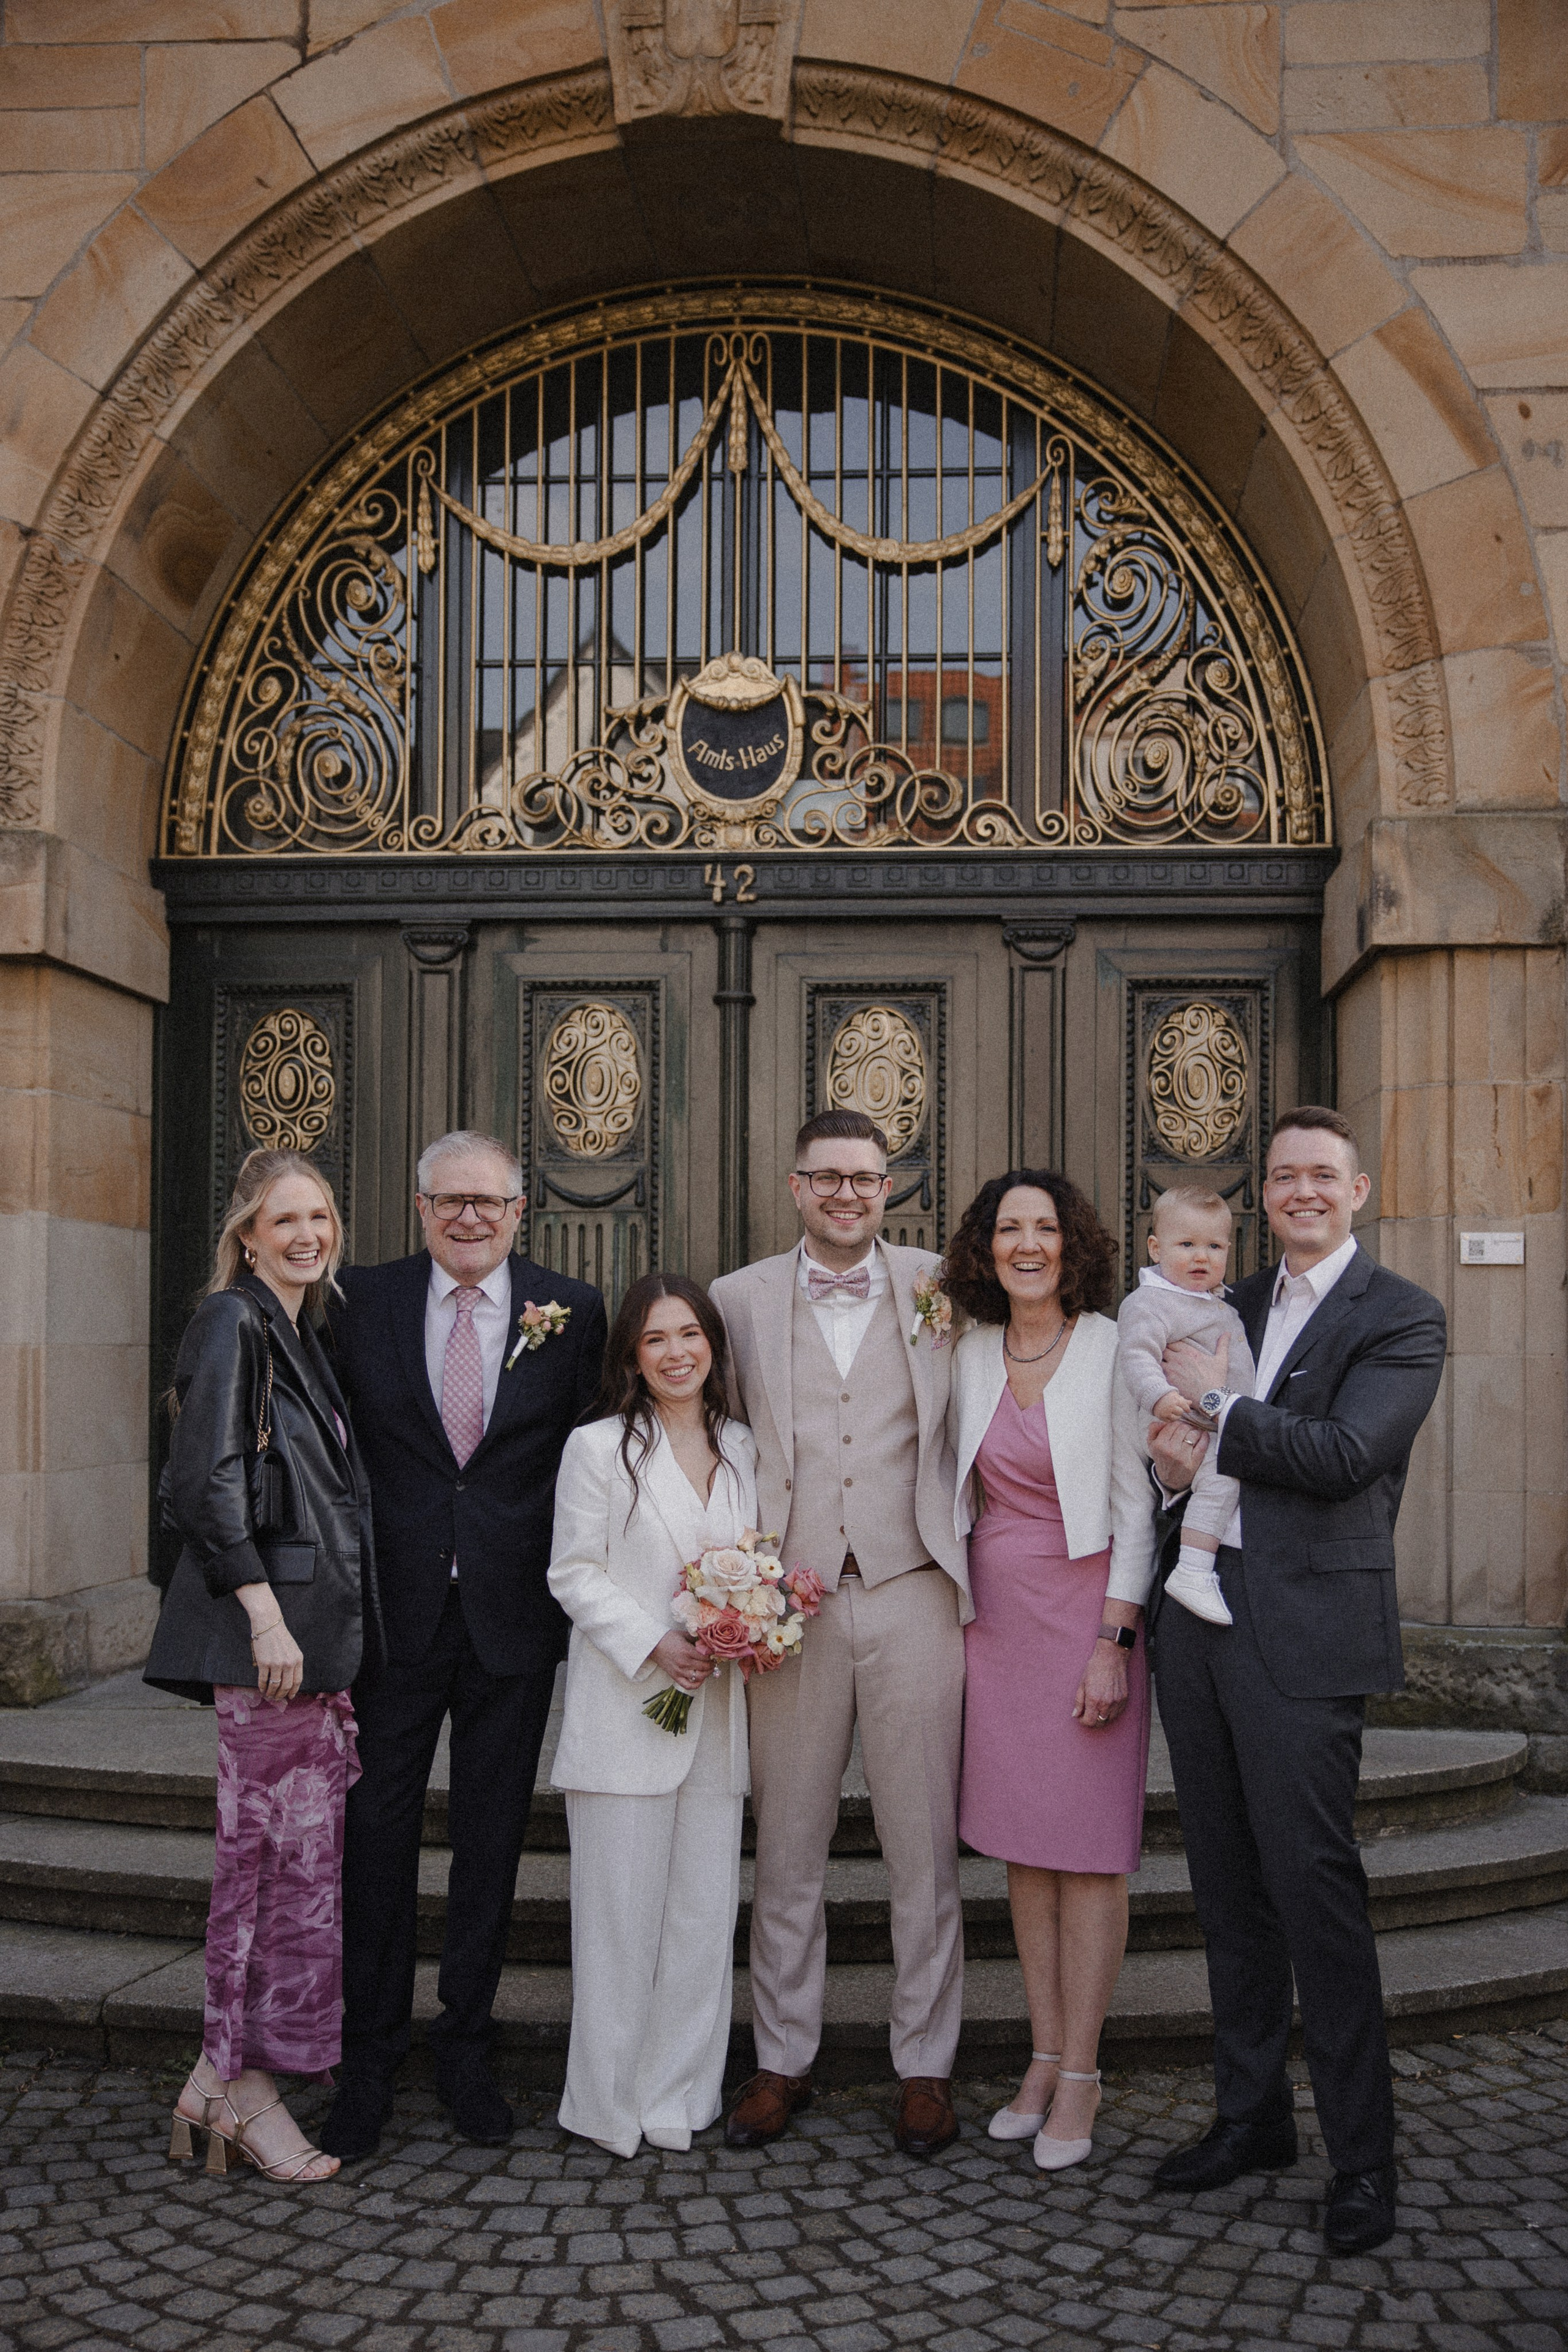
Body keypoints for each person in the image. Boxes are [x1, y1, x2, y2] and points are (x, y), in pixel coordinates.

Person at [1148, 1106, 1446, 2257]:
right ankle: (1251, 2118)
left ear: (1359, 1188)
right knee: (1226, 1893)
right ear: (1264, 1194)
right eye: (1284, 1178)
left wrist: (1213, 1414)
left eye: (1323, 1175)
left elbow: (1343, 1458)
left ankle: (1363, 2160)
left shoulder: (1401, 1317)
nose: (1303, 1192)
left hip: (1310, 1639)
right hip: (1200, 1626)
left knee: (1317, 1898)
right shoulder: (1228, 1301)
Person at [319, 1129, 606, 2158]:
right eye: (451, 1201)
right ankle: (369, 2056)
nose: (470, 1217)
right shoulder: (360, 1301)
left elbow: (594, 1458)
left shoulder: (571, 1311)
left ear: (520, 1210)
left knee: (490, 1841)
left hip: (511, 1617)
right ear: (420, 1205)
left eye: (488, 1202)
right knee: (376, 1843)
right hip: (390, 1622)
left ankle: (466, 2049)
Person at [711, 1107, 968, 2159]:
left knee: (925, 1851)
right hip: (791, 1605)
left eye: (866, 1178)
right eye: (828, 1178)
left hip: (915, 1587)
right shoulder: (735, 1301)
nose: (848, 1195)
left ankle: (926, 2068)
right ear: (795, 1185)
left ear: (889, 1186)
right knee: (789, 1850)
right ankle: (781, 2059)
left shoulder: (946, 1287)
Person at [147, 1147, 379, 2185]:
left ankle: (217, 2078)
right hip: (270, 1650)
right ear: (247, 1234)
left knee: (296, 1876)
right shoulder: (234, 1321)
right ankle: (240, 2094)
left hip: (308, 1651)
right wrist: (265, 1618)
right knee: (264, 1880)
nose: (307, 1235)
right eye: (283, 1220)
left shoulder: (300, 1329)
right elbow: (204, 1481)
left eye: (319, 1216)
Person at [947, 1169, 1154, 2173]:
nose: (1027, 1245)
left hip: (1087, 1618)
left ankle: (1085, 2071)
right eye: (1008, 1229)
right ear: (986, 1247)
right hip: (997, 1623)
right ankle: (1040, 2054)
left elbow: (1136, 1506)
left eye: (1045, 1229)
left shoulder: (1112, 1347)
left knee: (1090, 1851)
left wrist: (1115, 1641)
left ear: (1073, 1244)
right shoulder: (968, 1349)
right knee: (1026, 1851)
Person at [547, 1275, 757, 2158]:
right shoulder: (599, 1448)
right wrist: (656, 1643)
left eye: (690, 1336)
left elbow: (761, 1560)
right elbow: (573, 1571)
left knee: (701, 1924)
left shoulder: (747, 1446)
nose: (677, 1354)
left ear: (713, 1344)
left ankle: (682, 2095)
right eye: (656, 1340)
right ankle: (606, 2103)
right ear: (632, 1357)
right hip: (627, 1712)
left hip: (718, 1716)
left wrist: (756, 1623)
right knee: (618, 1926)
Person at [1115, 1186, 1257, 1626]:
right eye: (1187, 1245)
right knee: (1224, 1475)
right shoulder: (1152, 1302)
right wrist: (1160, 1396)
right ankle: (1194, 1569)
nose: (1202, 1257)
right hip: (1179, 1420)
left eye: (1214, 1247)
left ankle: (1197, 1566)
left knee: (1228, 1471)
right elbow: (1137, 1354)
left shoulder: (1213, 1299)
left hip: (1217, 1419)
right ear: (1156, 1248)